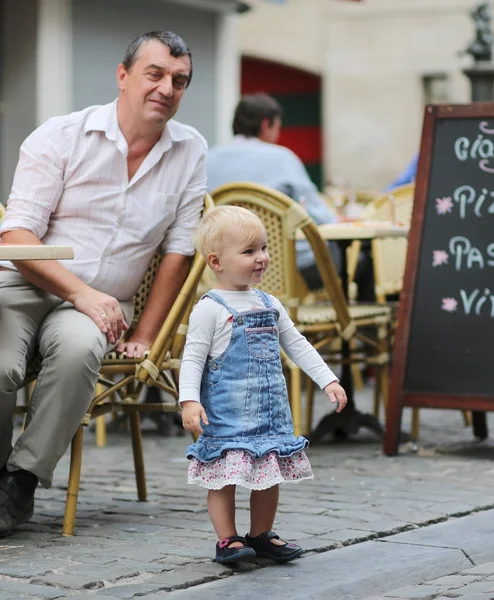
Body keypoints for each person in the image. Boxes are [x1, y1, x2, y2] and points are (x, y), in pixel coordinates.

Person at [0, 31, 207, 537]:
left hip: (99, 308)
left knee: (76, 354)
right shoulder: (62, 135)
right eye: (154, 74)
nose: (166, 88)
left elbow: (176, 256)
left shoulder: (190, 150)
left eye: (178, 81)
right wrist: (79, 290)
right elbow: (16, 233)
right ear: (123, 75)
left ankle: (20, 481)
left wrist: (146, 335)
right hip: (25, 282)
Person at [179, 206, 347, 564]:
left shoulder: (270, 303)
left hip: (270, 417)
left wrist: (327, 378)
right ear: (216, 261)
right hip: (226, 418)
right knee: (222, 479)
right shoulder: (209, 308)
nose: (262, 258)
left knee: (268, 476)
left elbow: (297, 343)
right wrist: (189, 401)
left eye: (263, 248)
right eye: (249, 251)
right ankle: (228, 540)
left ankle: (261, 534)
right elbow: (192, 358)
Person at [207, 93, 350, 293]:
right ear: (266, 124)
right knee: (359, 256)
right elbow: (319, 216)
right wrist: (339, 218)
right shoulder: (282, 158)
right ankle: (351, 320)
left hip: (222, 268)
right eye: (277, 127)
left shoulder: (208, 159)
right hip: (287, 269)